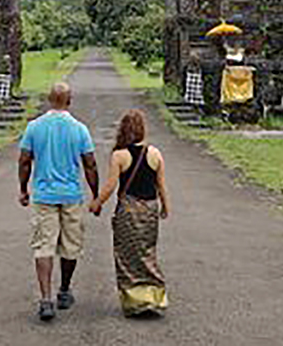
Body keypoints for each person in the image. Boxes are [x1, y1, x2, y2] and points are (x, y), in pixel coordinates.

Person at [18, 81, 99, 322]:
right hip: (71, 195)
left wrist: (23, 189)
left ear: (48, 99)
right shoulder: (79, 129)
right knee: (71, 246)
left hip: (44, 195)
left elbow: (24, 160)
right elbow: (90, 164)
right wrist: (95, 194)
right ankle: (64, 290)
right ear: (69, 101)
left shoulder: (34, 127)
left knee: (44, 245)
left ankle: (46, 299)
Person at [89, 108, 170, 317]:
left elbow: (110, 186)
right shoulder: (155, 153)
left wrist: (97, 203)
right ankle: (154, 297)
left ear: (123, 130)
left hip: (128, 210)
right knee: (147, 252)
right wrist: (165, 207)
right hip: (150, 209)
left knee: (126, 255)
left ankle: (134, 302)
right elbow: (161, 185)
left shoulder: (119, 156)